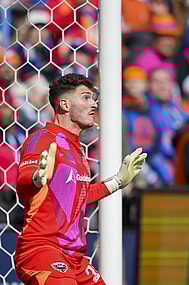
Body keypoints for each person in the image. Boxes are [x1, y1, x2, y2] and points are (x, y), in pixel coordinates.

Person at [15, 73, 147, 285]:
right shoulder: (42, 139)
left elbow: (77, 195)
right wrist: (37, 178)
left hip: (75, 257)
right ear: (64, 104)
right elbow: (22, 183)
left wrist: (117, 182)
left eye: (94, 98)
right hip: (42, 249)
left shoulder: (76, 149)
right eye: (86, 97)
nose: (94, 103)